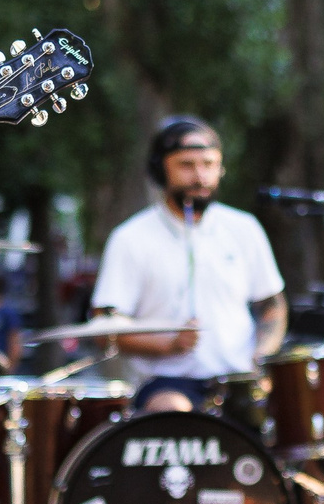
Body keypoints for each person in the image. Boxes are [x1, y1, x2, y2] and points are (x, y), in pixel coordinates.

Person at [90, 117, 286, 411]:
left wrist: (262, 356)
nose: (200, 176)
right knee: (172, 410)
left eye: (209, 164)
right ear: (160, 170)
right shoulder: (130, 238)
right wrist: (166, 344)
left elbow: (272, 305)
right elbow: (105, 327)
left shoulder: (244, 228)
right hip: (165, 382)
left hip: (239, 380)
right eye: (186, 165)